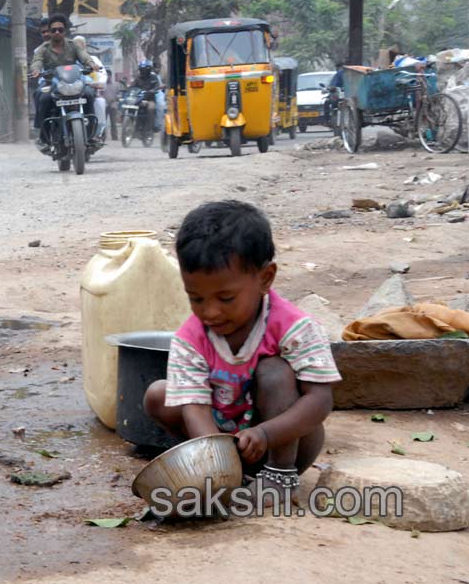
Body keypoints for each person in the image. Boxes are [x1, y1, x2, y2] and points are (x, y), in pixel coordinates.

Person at [144, 200, 341, 507]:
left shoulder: (294, 328)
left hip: (285, 442)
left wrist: (265, 434)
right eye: (195, 298)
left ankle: (279, 478)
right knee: (159, 395)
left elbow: (320, 400)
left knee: (275, 371)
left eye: (226, 298)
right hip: (229, 442)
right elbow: (194, 407)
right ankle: (223, 472)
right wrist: (220, 468)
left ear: (265, 278)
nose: (209, 312)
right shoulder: (190, 338)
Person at [29, 14, 96, 148]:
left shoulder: (73, 46)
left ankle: (90, 133)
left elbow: (84, 56)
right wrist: (36, 70)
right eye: (53, 30)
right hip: (51, 84)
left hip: (73, 83)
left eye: (60, 29)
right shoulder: (43, 49)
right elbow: (37, 61)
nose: (57, 32)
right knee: (42, 98)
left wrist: (91, 63)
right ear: (50, 31)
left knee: (89, 94)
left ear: (65, 31)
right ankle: (44, 135)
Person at [72, 35, 107, 136]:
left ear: (84, 47)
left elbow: (102, 74)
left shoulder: (93, 60)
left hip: (88, 88)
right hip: (69, 90)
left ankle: (92, 129)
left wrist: (99, 83)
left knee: (91, 97)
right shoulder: (69, 60)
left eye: (80, 46)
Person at [130, 59, 164, 132]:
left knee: (151, 108)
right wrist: (129, 89)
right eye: (142, 69)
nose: (143, 71)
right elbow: (132, 86)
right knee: (130, 106)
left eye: (145, 69)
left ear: (148, 69)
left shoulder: (153, 77)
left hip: (150, 99)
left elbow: (157, 86)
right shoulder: (138, 77)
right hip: (139, 99)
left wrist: (153, 90)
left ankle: (150, 127)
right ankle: (132, 124)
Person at [103, 69, 119, 140]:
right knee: (103, 122)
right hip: (104, 105)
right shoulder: (102, 85)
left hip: (113, 105)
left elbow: (118, 95)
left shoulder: (115, 85)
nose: (108, 77)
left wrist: (116, 99)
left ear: (110, 76)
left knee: (113, 122)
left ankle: (114, 137)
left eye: (109, 75)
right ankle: (103, 136)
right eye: (106, 75)